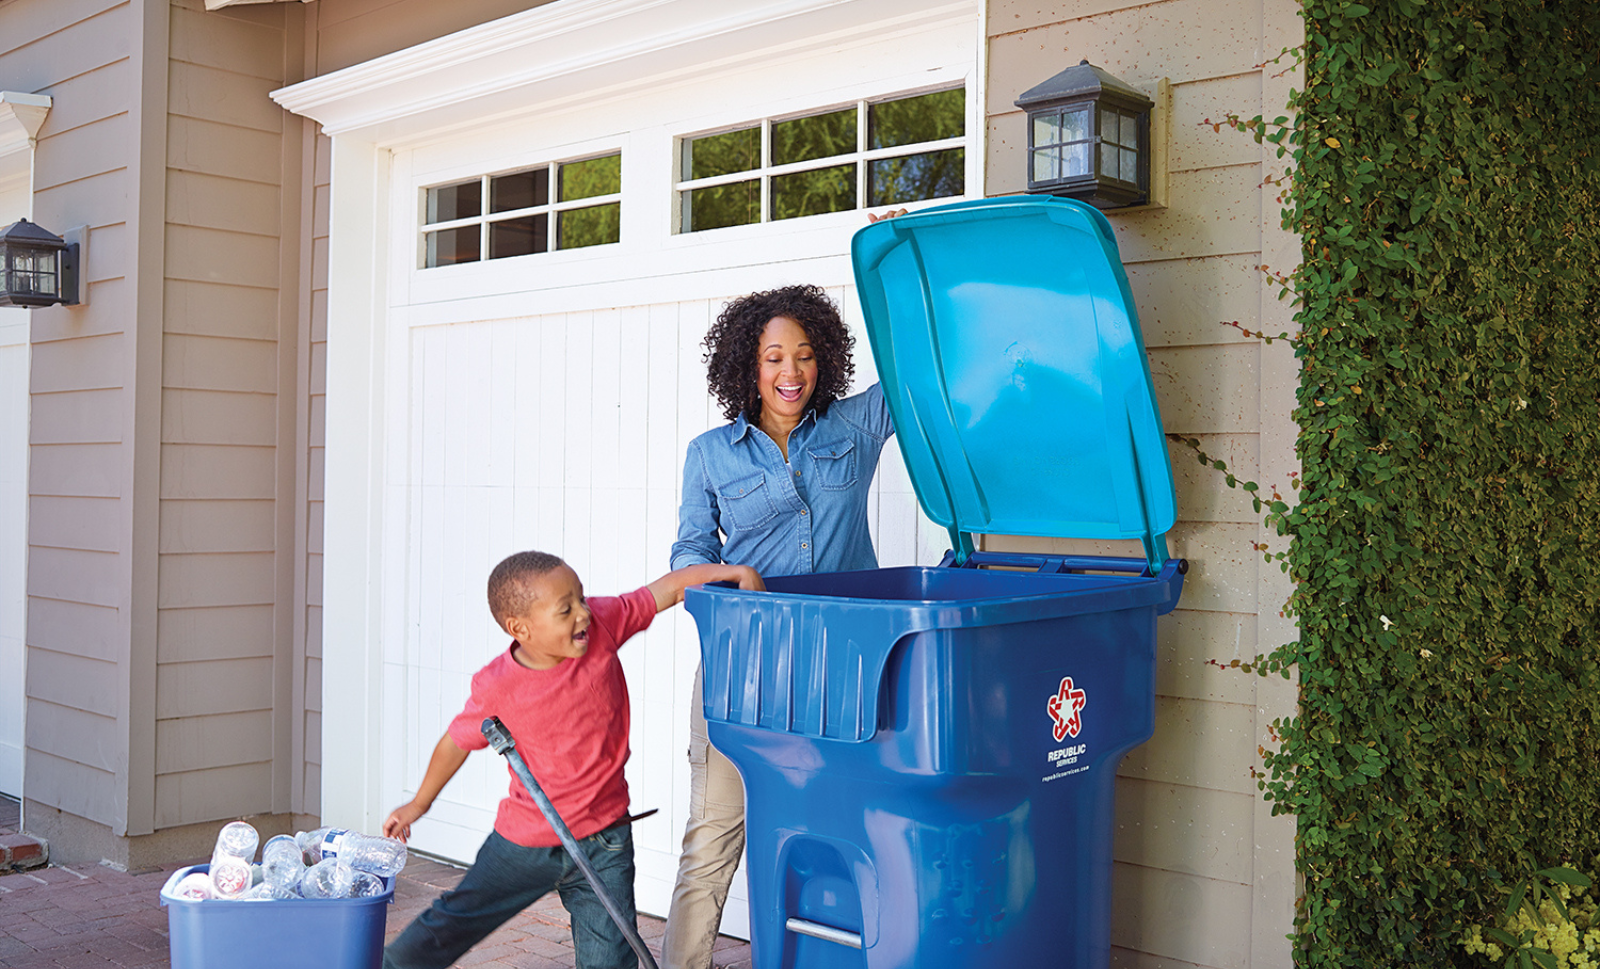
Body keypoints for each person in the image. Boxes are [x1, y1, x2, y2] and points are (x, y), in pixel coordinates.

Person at [382, 550, 763, 969]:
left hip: (605, 841)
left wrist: (736, 572)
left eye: (581, 599)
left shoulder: (603, 624)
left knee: (611, 960)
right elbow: (456, 742)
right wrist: (419, 803)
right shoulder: (497, 685)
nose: (583, 613)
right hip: (527, 843)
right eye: (566, 610)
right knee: (453, 921)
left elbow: (669, 588)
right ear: (519, 628)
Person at [662, 284, 896, 969]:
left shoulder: (855, 427)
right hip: (746, 660)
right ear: (748, 365)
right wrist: (726, 577)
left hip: (844, 663)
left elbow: (914, 365)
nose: (790, 372)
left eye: (804, 355)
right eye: (773, 358)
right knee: (715, 828)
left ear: (824, 361)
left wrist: (893, 262)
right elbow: (688, 551)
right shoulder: (711, 453)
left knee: (847, 826)